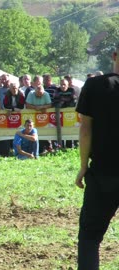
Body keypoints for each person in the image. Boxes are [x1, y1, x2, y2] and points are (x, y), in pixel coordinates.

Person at [75, 45, 119, 270]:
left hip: (103, 173)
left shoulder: (93, 86)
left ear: (114, 55)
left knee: (90, 238)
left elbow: (85, 130)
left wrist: (83, 165)